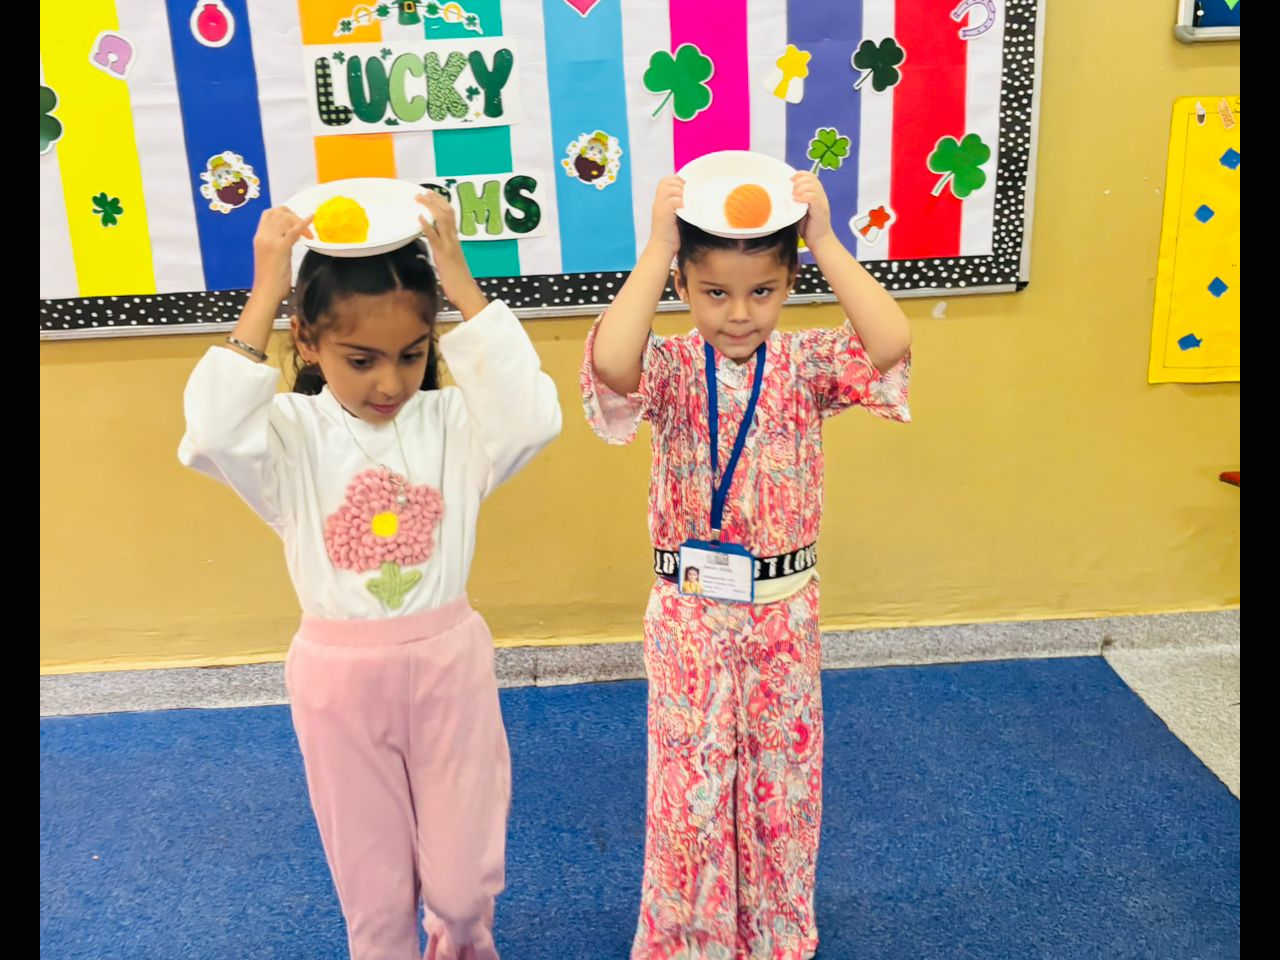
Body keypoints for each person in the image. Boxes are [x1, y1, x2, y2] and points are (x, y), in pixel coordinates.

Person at [178, 191, 562, 960]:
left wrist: (459, 280)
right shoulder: (289, 436)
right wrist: (266, 287)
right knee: (375, 895)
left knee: (463, 888)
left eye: (412, 355)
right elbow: (213, 431)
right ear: (307, 341)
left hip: (450, 668)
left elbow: (532, 416)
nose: (390, 383)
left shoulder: (454, 425)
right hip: (339, 683)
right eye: (362, 360)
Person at [580, 169, 911, 959]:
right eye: (714, 293)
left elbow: (889, 343)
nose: (739, 314)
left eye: (762, 292)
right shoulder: (671, 366)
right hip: (690, 614)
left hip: (785, 614)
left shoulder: (806, 362)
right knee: (689, 790)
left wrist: (824, 240)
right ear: (683, 288)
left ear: (790, 285)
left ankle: (776, 936)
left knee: (782, 784)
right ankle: (686, 941)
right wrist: (657, 247)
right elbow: (614, 364)